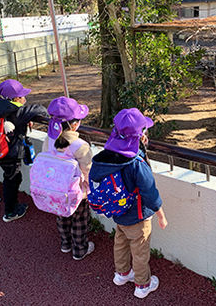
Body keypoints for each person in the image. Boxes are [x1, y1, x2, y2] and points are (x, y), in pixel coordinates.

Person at [89, 108, 168, 299]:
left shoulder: (105, 157)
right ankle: (142, 285)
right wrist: (161, 215)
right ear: (140, 136)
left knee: (120, 243)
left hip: (118, 213)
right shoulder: (136, 163)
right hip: (138, 215)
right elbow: (149, 192)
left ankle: (122, 274)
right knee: (140, 250)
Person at [42, 96, 94, 260]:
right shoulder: (80, 145)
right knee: (79, 218)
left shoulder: (49, 139)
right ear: (73, 124)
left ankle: (65, 243)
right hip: (75, 189)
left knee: (62, 214)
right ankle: (79, 249)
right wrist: (89, 185)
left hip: (55, 187)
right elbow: (87, 168)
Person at [0, 79, 48, 222]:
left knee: (10, 177)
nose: (25, 99)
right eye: (22, 96)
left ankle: (12, 205)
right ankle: (10, 211)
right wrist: (28, 115)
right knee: (13, 178)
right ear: (16, 99)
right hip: (11, 153)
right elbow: (40, 109)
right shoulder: (16, 112)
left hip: (0, 150)